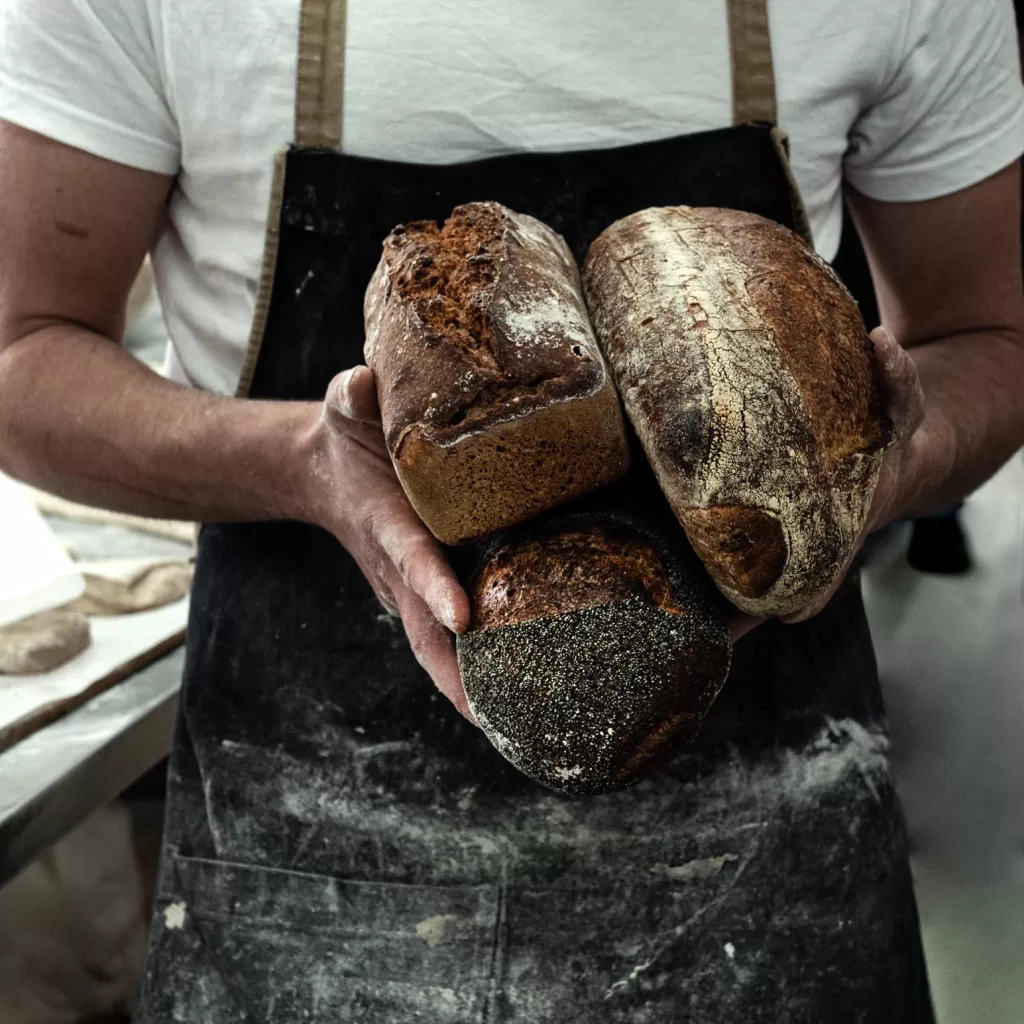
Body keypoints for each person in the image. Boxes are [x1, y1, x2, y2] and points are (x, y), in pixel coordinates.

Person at [1, 0, 1022, 1018]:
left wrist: (869, 471)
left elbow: (992, 336)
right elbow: (21, 358)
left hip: (776, 843)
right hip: (314, 848)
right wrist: (310, 465)